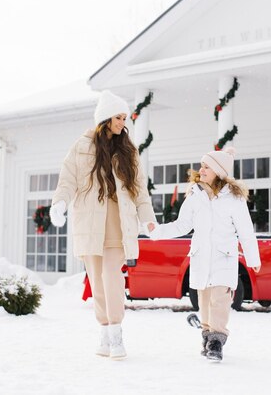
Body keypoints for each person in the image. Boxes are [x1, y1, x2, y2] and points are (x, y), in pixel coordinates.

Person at [50, 90, 156, 360]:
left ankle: (117, 332)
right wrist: (59, 203)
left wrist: (147, 218)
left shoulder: (128, 150)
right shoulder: (82, 146)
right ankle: (105, 331)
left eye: (124, 117)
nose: (123, 122)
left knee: (112, 277)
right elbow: (67, 180)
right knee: (96, 281)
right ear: (105, 118)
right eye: (119, 117)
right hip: (89, 222)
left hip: (118, 222)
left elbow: (139, 189)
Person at [150, 147, 261, 362]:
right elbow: (182, 225)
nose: (201, 170)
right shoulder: (195, 196)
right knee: (205, 300)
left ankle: (217, 340)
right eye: (201, 165)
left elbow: (246, 231)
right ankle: (208, 335)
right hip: (201, 257)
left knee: (220, 299)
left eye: (206, 167)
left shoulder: (233, 199)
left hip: (223, 257)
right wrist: (158, 232)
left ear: (219, 171)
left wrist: (253, 258)